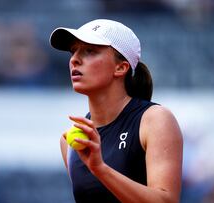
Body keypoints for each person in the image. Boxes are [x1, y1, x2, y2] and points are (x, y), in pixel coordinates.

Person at [49, 19, 183, 203]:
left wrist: (101, 169)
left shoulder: (155, 120)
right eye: (73, 51)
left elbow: (166, 201)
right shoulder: (70, 142)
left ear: (120, 67)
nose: (74, 59)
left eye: (90, 51)